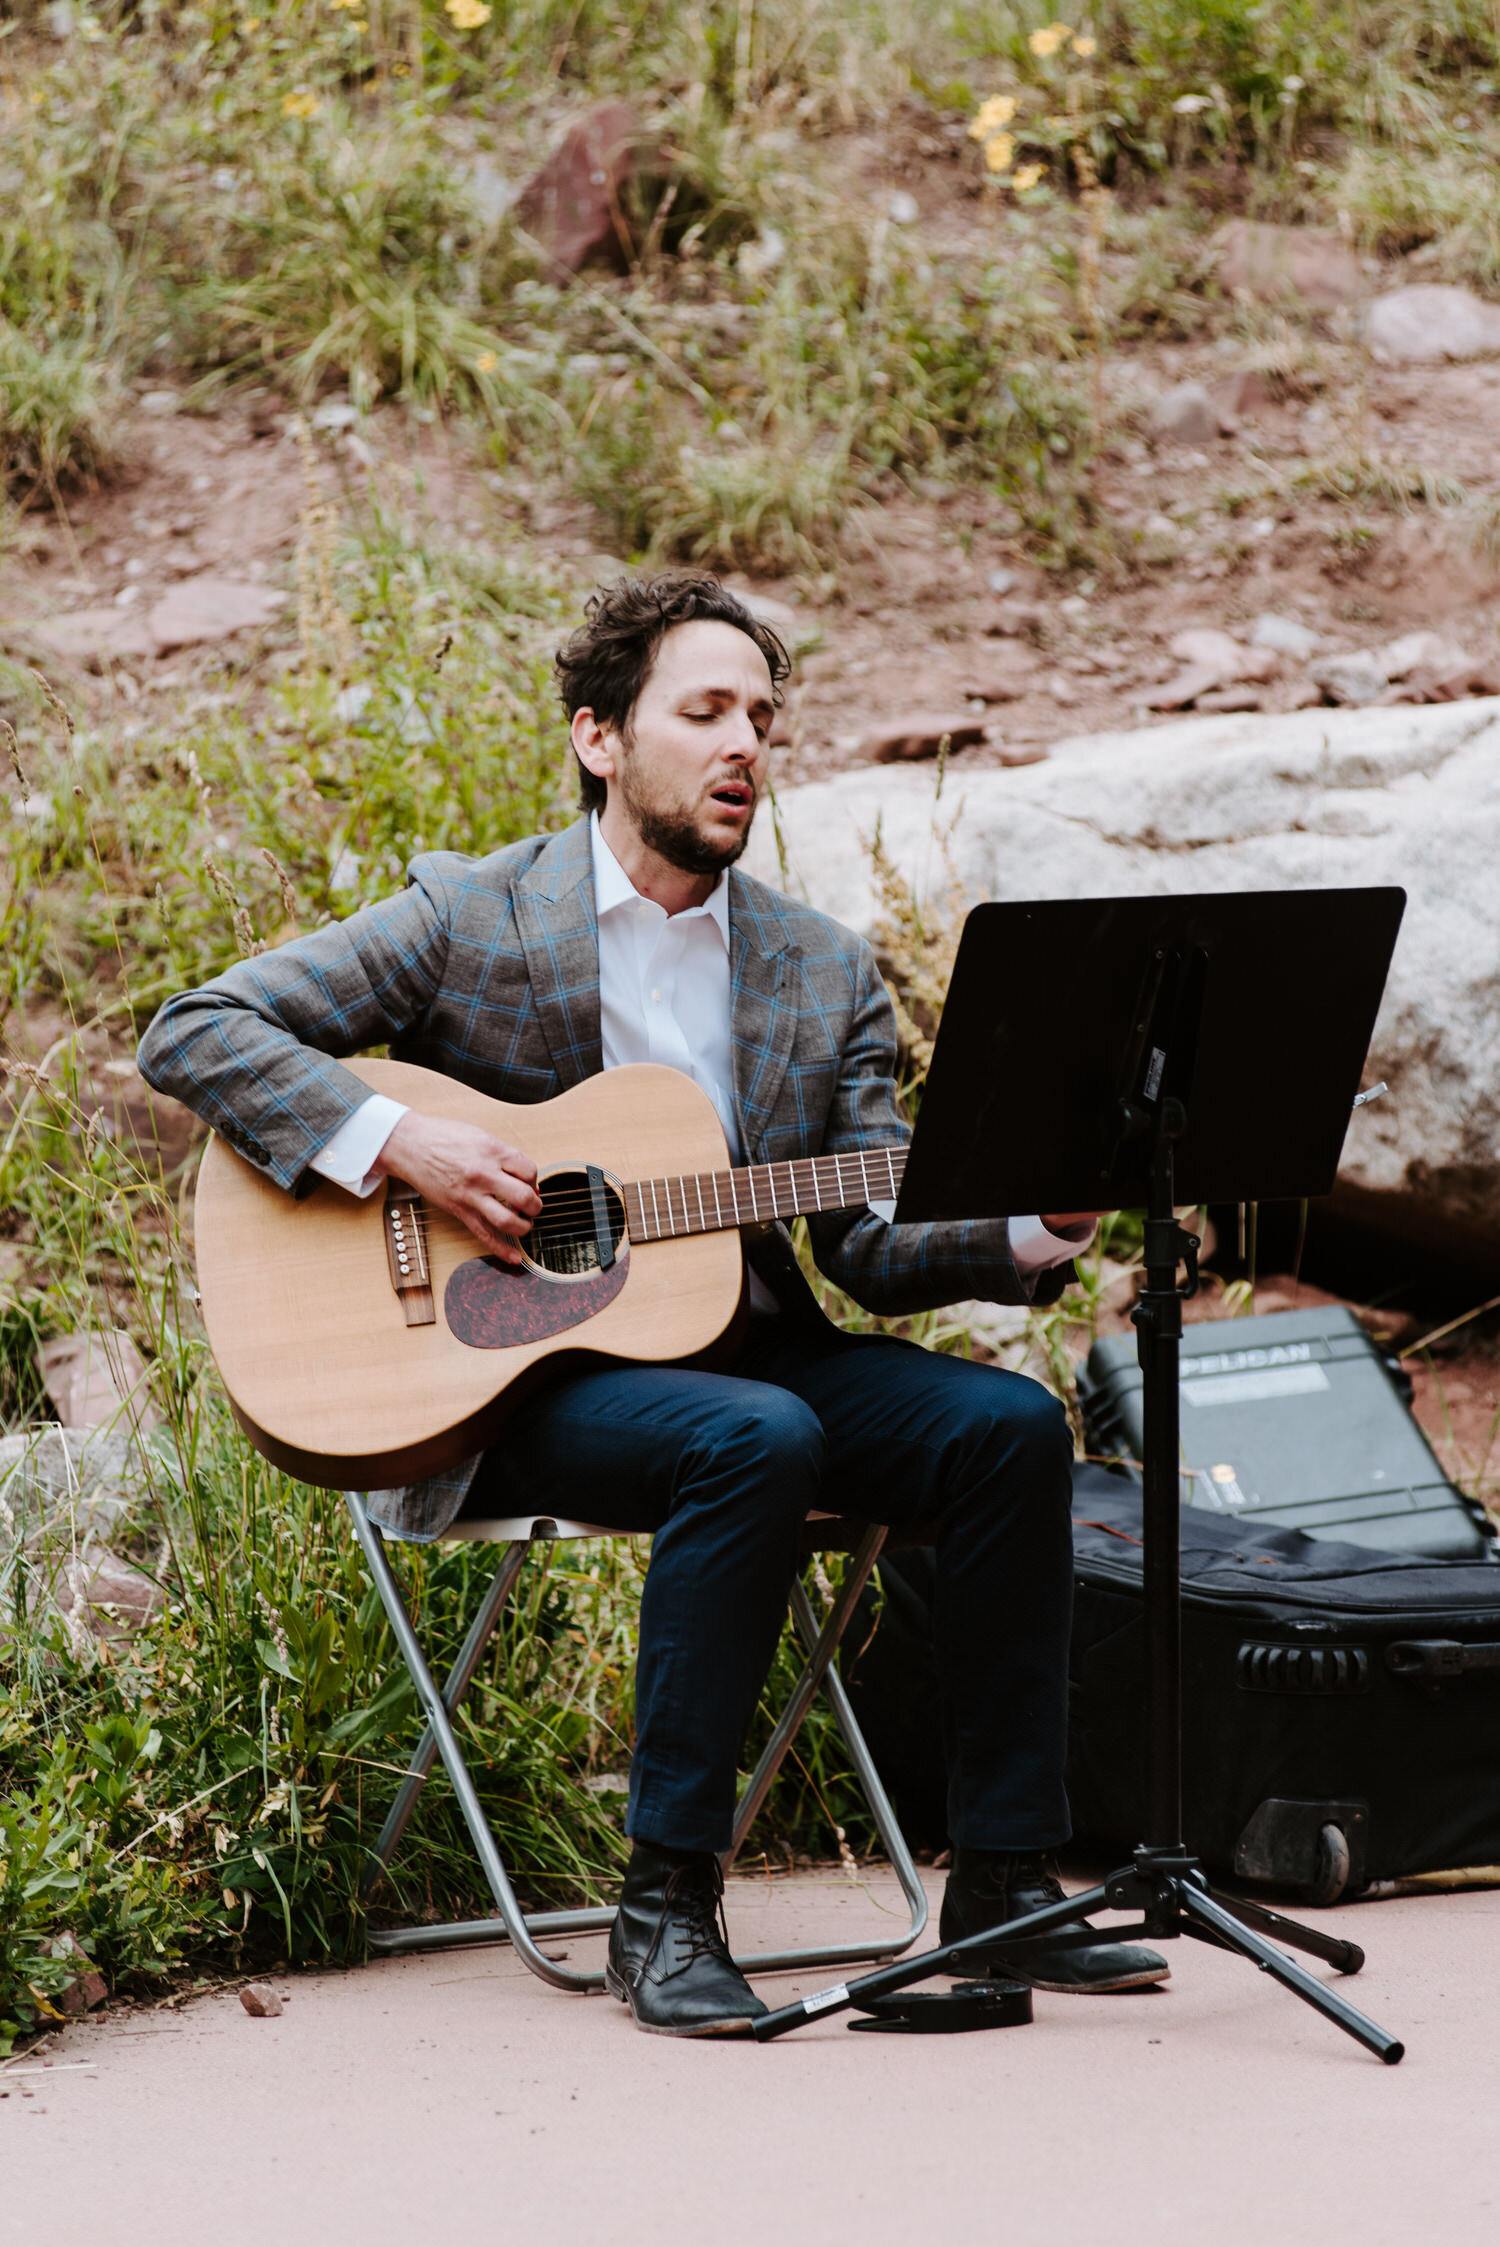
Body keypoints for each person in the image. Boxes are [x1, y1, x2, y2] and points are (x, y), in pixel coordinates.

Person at [139, 572, 1167, 2035]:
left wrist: (1038, 1218)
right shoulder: (470, 915)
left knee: (1001, 1427)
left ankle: (1004, 1887)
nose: (746, 742)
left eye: (763, 716)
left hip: (749, 1358)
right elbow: (197, 1029)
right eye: (705, 711)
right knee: (748, 1440)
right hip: (504, 1380)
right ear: (602, 738)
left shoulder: (818, 968)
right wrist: (402, 1142)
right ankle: (665, 1906)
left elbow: (868, 1242)